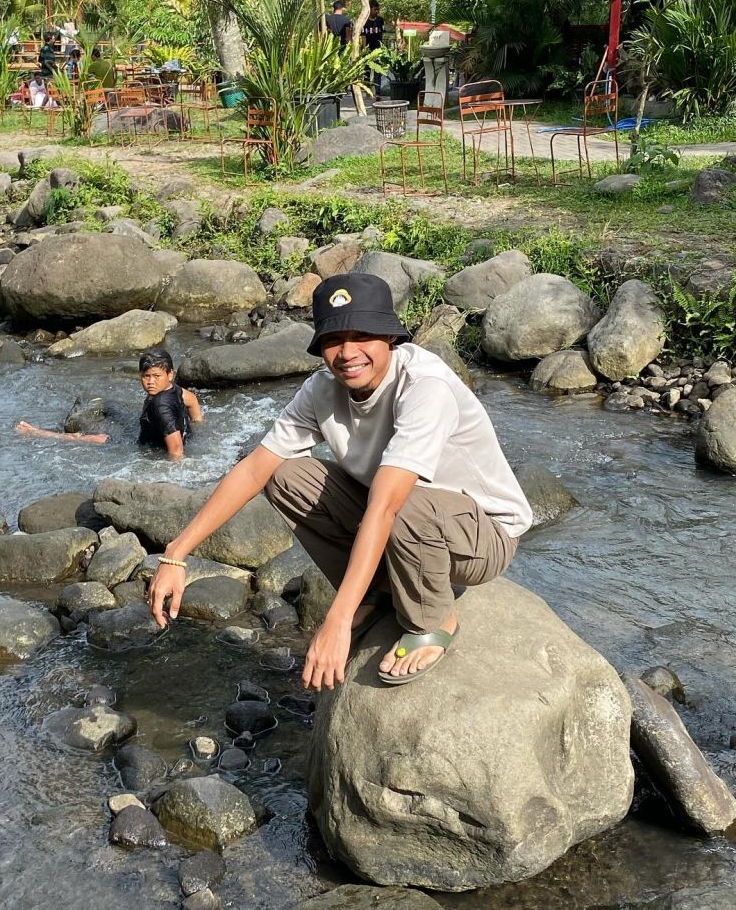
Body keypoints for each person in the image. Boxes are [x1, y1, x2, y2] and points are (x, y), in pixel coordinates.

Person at [147, 274, 532, 689]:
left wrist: (337, 619)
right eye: (334, 339)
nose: (348, 353)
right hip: (399, 514)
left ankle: (433, 616)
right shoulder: (322, 389)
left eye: (363, 335)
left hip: (482, 536)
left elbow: (387, 506)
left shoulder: (425, 387)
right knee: (287, 475)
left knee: (405, 502)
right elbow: (257, 467)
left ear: (391, 337)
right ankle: (378, 593)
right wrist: (175, 554)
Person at [137, 349, 203, 461]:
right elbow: (192, 399)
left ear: (170, 374)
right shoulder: (173, 388)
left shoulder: (160, 406)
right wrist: (198, 422)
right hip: (184, 439)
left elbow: (177, 450)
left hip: (154, 451)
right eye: (146, 376)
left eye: (157, 376)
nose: (151, 382)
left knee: (101, 439)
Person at [362, 0, 385, 90]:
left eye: (378, 10)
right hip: (368, 48)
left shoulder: (380, 20)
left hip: (377, 48)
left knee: (377, 70)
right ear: (370, 9)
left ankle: (378, 91)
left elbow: (381, 34)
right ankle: (367, 89)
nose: (377, 12)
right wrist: (364, 49)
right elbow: (363, 36)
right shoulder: (364, 21)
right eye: (375, 9)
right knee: (367, 70)